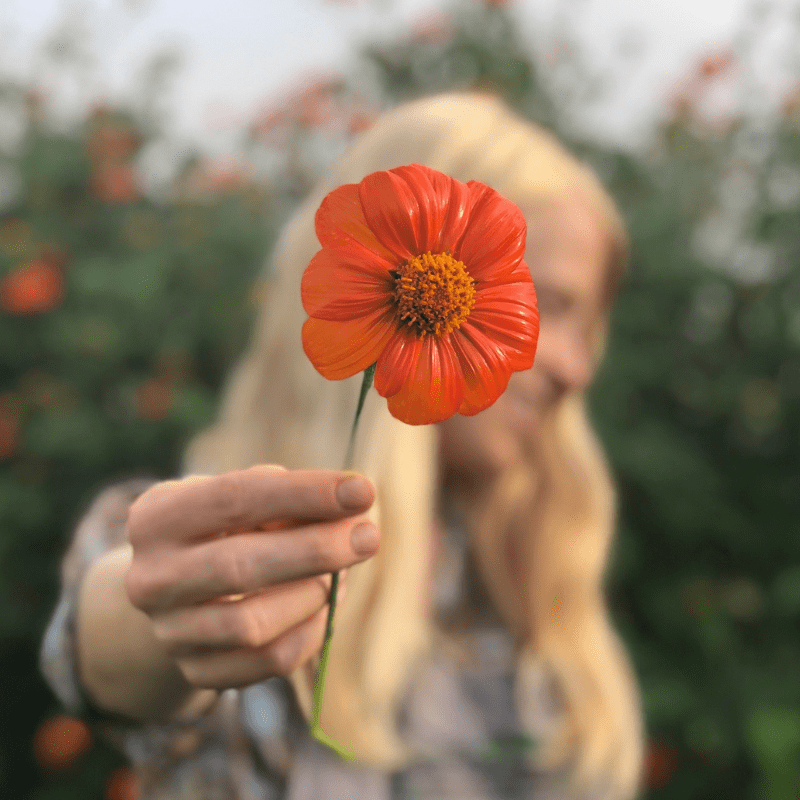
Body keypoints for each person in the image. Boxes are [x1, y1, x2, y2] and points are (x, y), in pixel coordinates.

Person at [41, 92, 642, 800]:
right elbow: (120, 625)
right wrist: (157, 614)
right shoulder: (214, 531)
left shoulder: (527, 567)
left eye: (588, 328)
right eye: (551, 306)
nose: (577, 368)